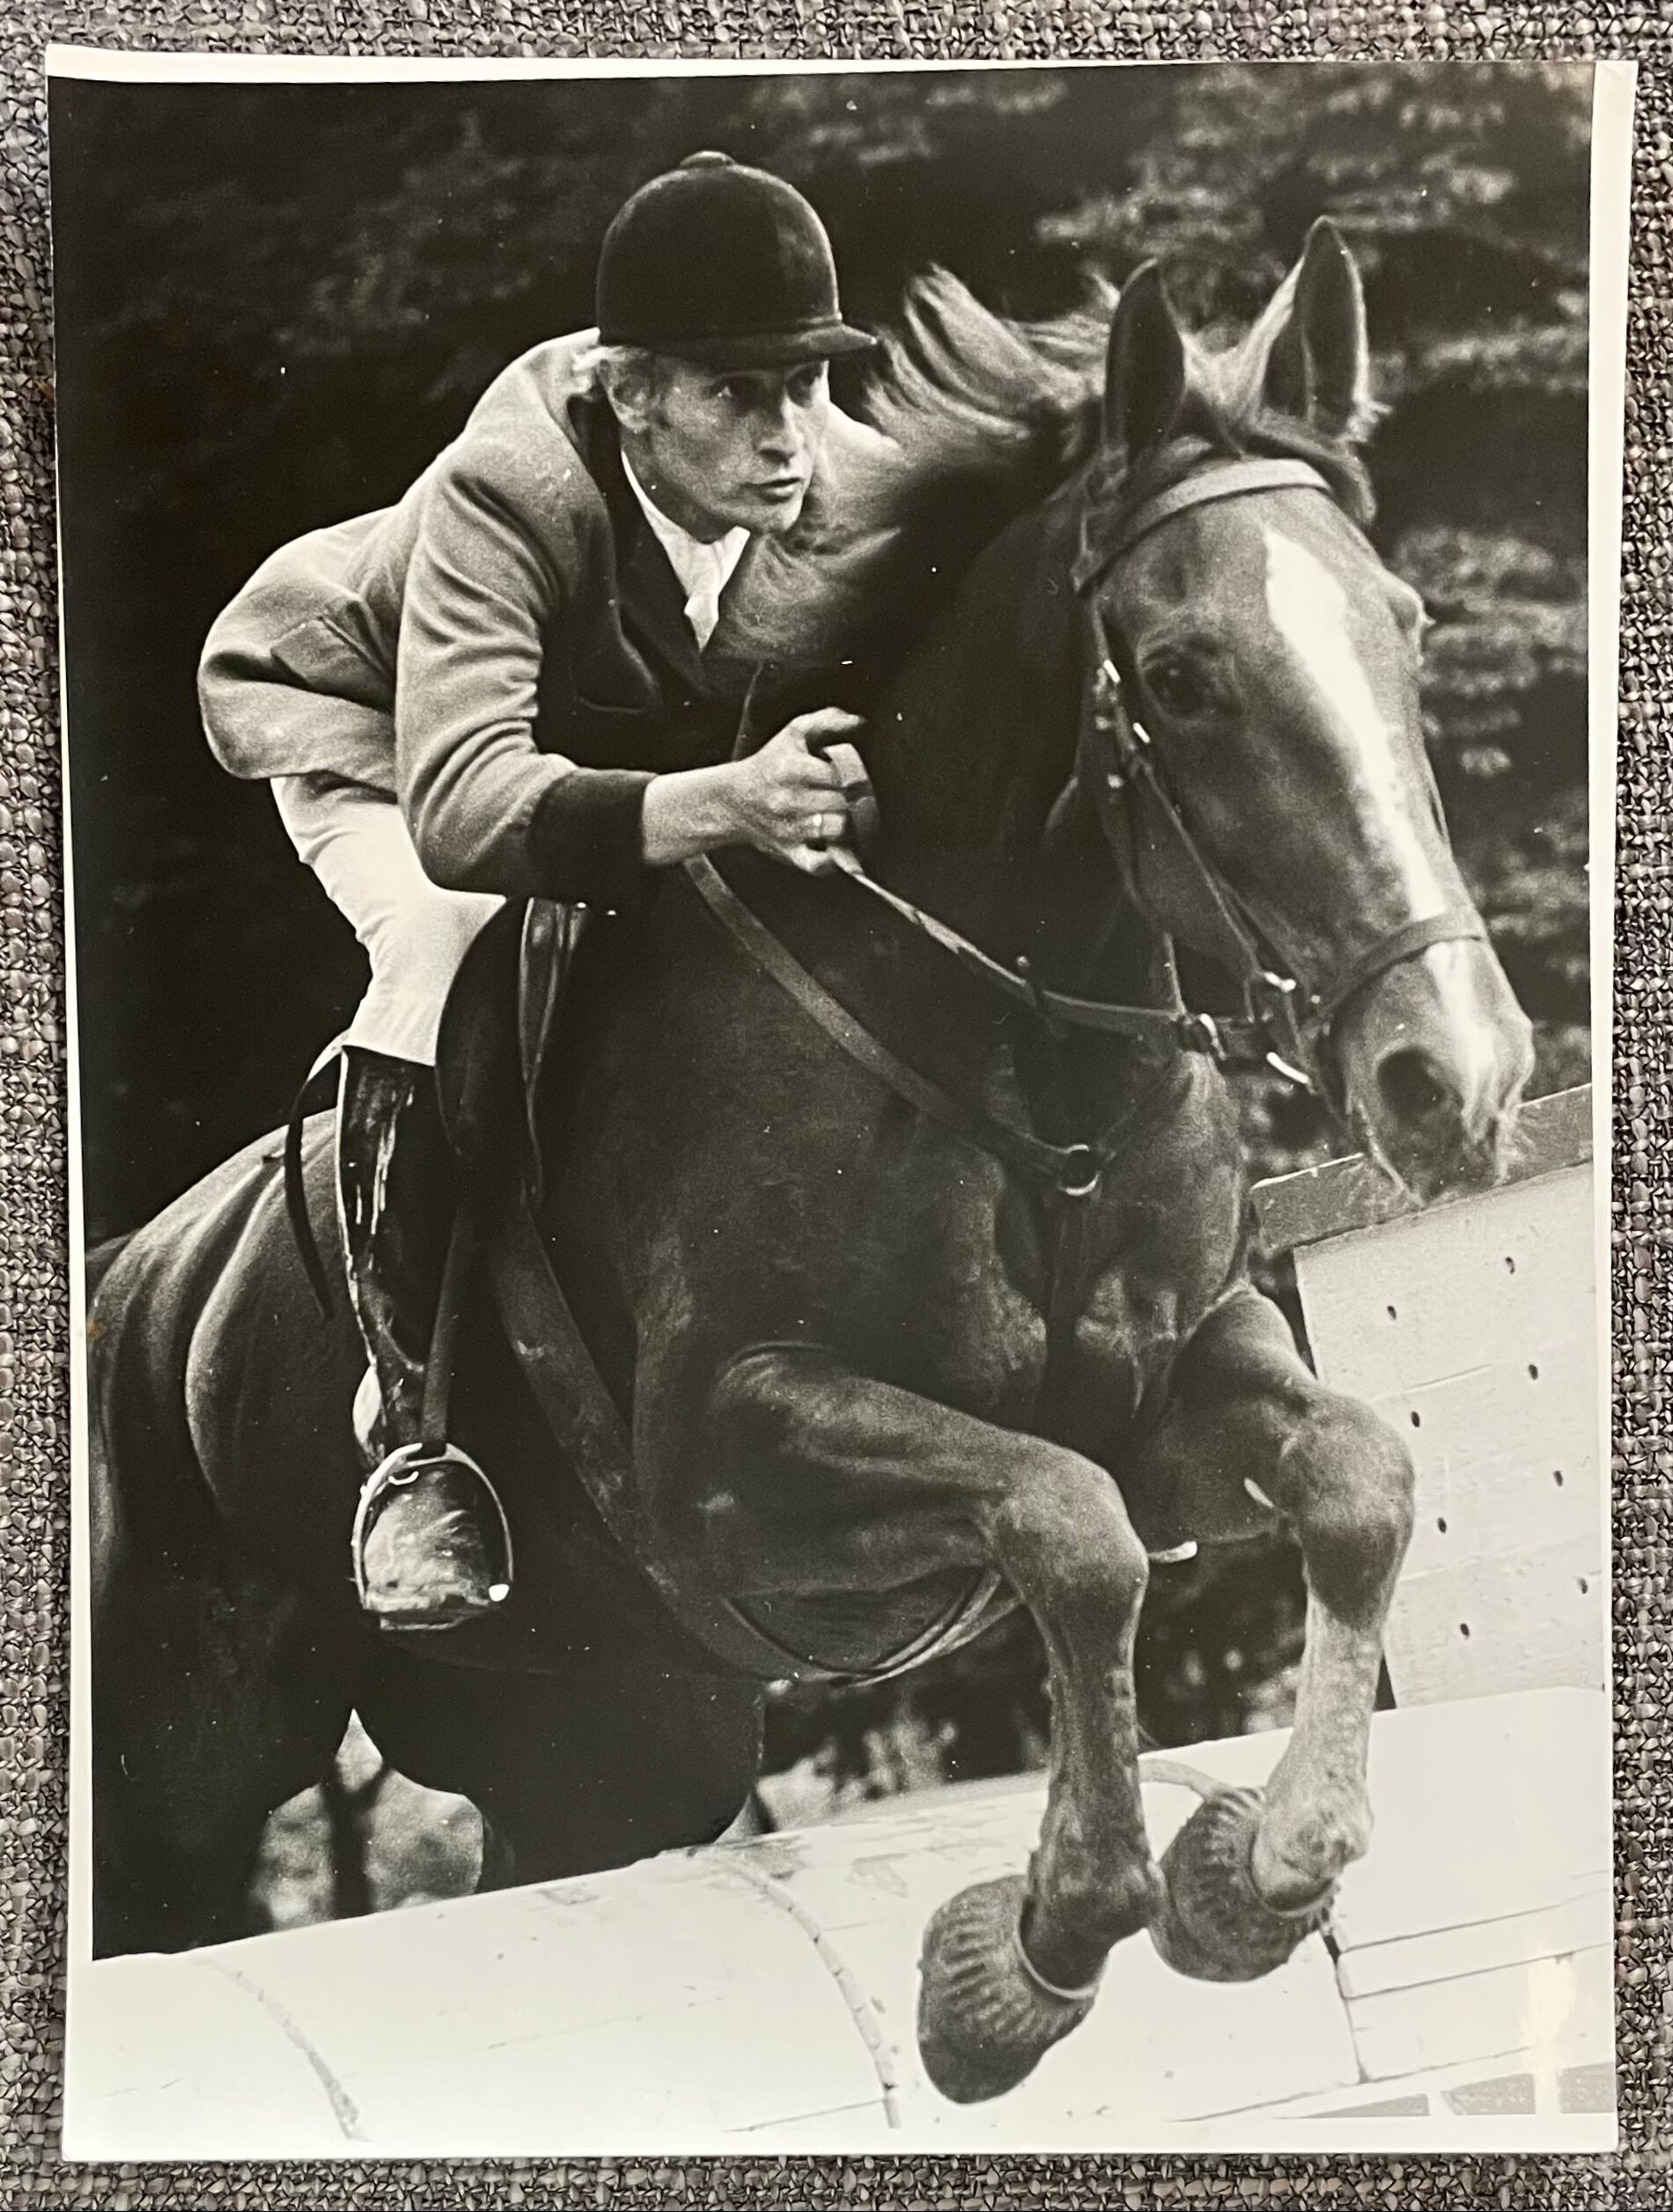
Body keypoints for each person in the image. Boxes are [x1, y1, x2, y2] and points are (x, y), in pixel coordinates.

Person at [198, 151, 887, 1629]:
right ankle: (411, 1441)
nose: (789, 443)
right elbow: (462, 811)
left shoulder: (834, 475)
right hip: (377, 735)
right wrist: (732, 800)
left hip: (580, 760)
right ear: (633, 393)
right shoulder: (501, 496)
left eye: (809, 390)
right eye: (738, 396)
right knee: (451, 943)